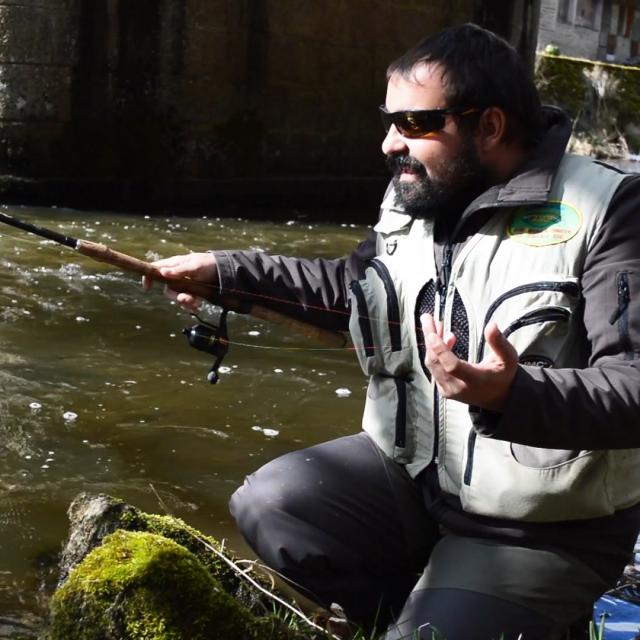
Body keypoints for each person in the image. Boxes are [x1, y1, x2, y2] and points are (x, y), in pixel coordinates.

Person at [143, 23, 640, 640]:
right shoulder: (419, 194)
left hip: (543, 530)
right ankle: (436, 610)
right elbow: (351, 291)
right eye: (388, 120)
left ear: (489, 127)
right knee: (271, 504)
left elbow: (634, 387)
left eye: (413, 124)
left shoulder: (612, 210)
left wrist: (512, 396)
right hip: (416, 485)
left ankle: (501, 616)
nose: (387, 143)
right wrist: (226, 274)